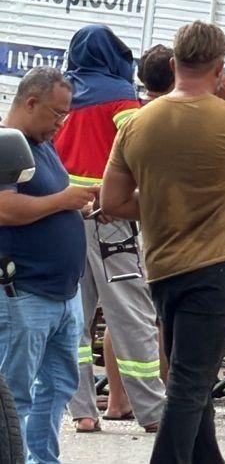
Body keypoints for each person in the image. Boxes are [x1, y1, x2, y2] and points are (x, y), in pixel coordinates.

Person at [100, 20, 225, 464]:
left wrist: (162, 201)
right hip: (215, 266)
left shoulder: (138, 124)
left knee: (193, 374)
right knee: (188, 381)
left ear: (171, 63)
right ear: (220, 68)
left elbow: (111, 200)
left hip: (162, 266)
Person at [53, 25, 165, 435]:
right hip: (109, 218)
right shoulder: (119, 97)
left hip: (62, 218)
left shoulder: (59, 97)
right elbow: (145, 144)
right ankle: (153, 412)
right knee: (131, 312)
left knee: (73, 319)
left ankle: (82, 411)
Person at [0, 68, 98, 463]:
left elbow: (47, 201)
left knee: (57, 386)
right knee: (14, 394)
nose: (62, 123)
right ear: (30, 102)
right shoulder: (8, 145)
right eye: (57, 114)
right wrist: (63, 202)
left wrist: (83, 208)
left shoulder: (42, 145)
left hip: (61, 294)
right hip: (24, 292)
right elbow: (5, 208)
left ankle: (42, 458)